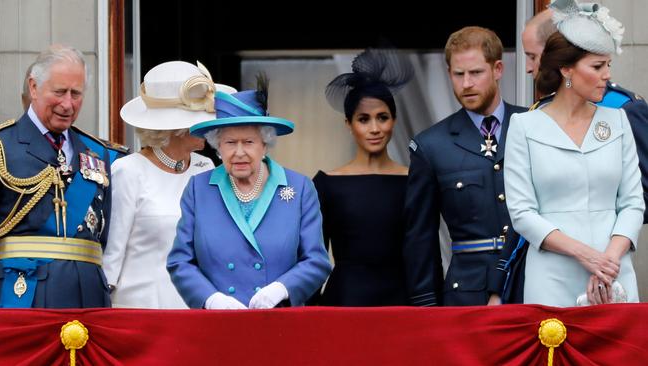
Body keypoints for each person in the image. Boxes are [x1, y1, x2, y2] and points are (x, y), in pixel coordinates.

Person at [505, 1, 644, 307]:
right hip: (553, 277)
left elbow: (633, 202)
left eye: (608, 64)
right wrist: (586, 255)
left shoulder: (617, 120)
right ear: (566, 69)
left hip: (614, 272)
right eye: (597, 66)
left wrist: (608, 259)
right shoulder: (524, 126)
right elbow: (523, 213)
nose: (607, 75)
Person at [167, 76, 332, 309]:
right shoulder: (198, 189)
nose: (239, 152)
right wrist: (211, 299)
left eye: (249, 142)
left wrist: (282, 288)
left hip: (279, 323)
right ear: (218, 147)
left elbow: (317, 261)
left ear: (265, 144)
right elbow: (180, 261)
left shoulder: (300, 188)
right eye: (230, 143)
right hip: (216, 325)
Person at [402, 26, 526, 306]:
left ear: (497, 69)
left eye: (476, 73)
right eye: (459, 74)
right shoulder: (431, 145)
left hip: (531, 280)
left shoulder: (532, 125)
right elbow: (420, 236)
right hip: (468, 293)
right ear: (449, 74)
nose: (467, 83)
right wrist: (426, 305)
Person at [102, 61, 235, 308]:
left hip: (194, 310)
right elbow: (112, 253)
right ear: (178, 129)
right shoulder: (129, 171)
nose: (211, 127)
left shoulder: (205, 167)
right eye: (201, 120)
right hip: (140, 312)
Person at [0, 44, 112, 308]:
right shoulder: (3, 146)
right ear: (34, 87)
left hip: (87, 296)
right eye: (60, 92)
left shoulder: (97, 153)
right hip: (21, 295)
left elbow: (101, 238)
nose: (68, 104)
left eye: (76, 94)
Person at [523, 6, 648, 223]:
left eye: (532, 56)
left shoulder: (622, 109)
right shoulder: (537, 113)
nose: (528, 67)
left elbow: (643, 194)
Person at [311, 49, 411, 306]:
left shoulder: (414, 181)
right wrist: (308, 312)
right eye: (364, 119)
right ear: (349, 124)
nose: (375, 128)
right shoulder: (326, 184)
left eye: (382, 117)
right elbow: (313, 258)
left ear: (394, 120)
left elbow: (425, 250)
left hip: (403, 304)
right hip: (344, 303)